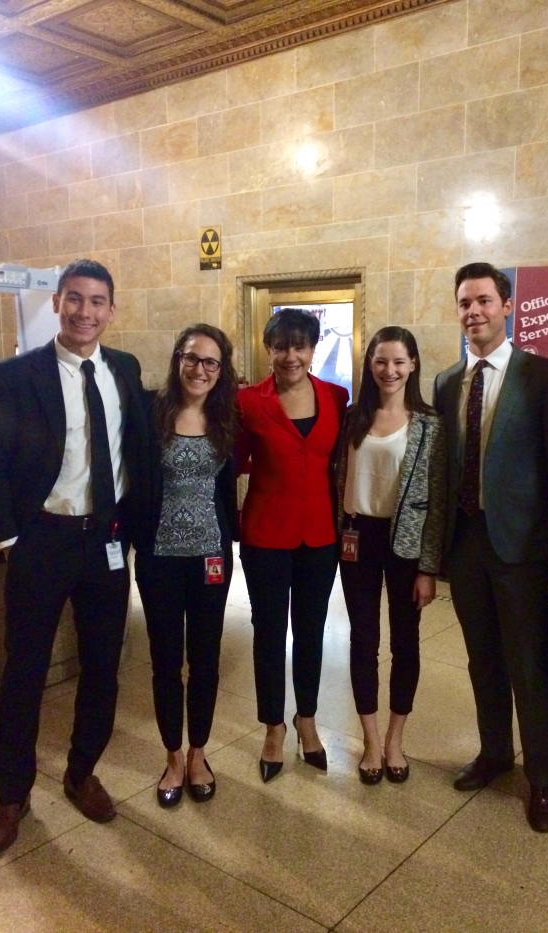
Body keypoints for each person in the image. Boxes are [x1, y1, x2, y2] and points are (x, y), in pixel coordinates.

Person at [0, 259, 147, 859]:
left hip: (103, 539)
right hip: (42, 541)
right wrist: (7, 539)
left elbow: (137, 451)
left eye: (97, 301)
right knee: (24, 672)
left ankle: (81, 773)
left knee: (103, 666)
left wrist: (134, 531)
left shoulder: (124, 369)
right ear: (56, 303)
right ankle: (10, 796)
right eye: (74, 299)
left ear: (111, 309)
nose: (84, 312)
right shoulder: (13, 376)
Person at [433, 262, 548, 833]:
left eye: (485, 301)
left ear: (507, 306)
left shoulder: (543, 376)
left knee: (528, 666)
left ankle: (542, 779)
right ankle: (494, 754)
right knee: (481, 659)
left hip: (520, 548)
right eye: (465, 302)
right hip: (465, 544)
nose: (474, 312)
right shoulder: (447, 382)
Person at [237, 308, 348, 782]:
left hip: (319, 536)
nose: (290, 355)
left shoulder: (336, 397)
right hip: (264, 535)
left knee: (311, 631)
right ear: (269, 349)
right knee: (267, 634)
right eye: (281, 346)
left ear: (313, 348)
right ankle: (273, 727)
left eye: (300, 345)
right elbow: (233, 461)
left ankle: (307, 719)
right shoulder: (246, 401)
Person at [336, 327, 446, 784]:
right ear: (370, 366)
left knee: (405, 641)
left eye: (399, 362)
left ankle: (396, 739)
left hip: (406, 543)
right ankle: (369, 739)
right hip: (357, 537)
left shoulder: (429, 424)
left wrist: (428, 567)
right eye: (381, 361)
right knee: (363, 640)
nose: (390, 371)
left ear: (414, 364)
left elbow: (437, 500)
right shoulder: (350, 418)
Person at [134, 325, 238, 808]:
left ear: (222, 370)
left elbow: (226, 494)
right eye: (192, 359)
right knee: (165, 661)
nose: (200, 370)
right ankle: (172, 756)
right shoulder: (150, 413)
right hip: (158, 559)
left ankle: (199, 754)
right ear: (178, 360)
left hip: (211, 560)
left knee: (206, 661)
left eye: (211, 362)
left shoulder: (227, 420)